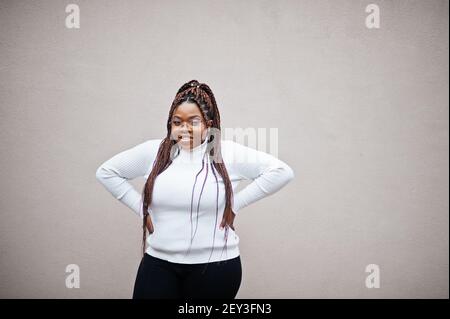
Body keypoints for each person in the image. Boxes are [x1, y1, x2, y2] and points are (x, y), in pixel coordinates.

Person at [95, 79, 295, 299]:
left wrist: (235, 204)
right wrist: (142, 210)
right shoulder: (153, 152)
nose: (184, 128)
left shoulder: (225, 153)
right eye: (177, 122)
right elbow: (106, 172)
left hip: (215, 269)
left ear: (208, 124)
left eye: (194, 121)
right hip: (159, 264)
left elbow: (281, 171)